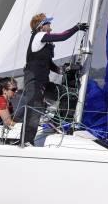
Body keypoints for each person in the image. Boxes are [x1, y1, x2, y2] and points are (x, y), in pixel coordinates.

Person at [21, 14, 88, 145]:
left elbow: (49, 63)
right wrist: (77, 28)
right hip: (34, 81)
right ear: (41, 26)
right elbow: (62, 37)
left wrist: (62, 70)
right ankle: (26, 142)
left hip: (43, 82)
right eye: (48, 25)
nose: (50, 29)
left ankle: (55, 122)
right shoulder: (39, 36)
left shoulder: (44, 42)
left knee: (69, 95)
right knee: (35, 108)